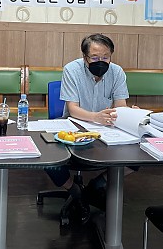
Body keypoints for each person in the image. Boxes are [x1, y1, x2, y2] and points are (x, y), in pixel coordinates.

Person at [46, 33, 129, 223]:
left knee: (137, 156)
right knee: (48, 158)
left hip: (105, 129)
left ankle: (97, 185)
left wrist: (129, 114)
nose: (101, 62)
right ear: (85, 57)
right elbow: (73, 109)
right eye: (95, 57)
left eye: (105, 57)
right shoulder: (72, 70)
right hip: (74, 127)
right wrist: (95, 117)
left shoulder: (117, 72)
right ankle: (75, 191)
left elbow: (120, 106)